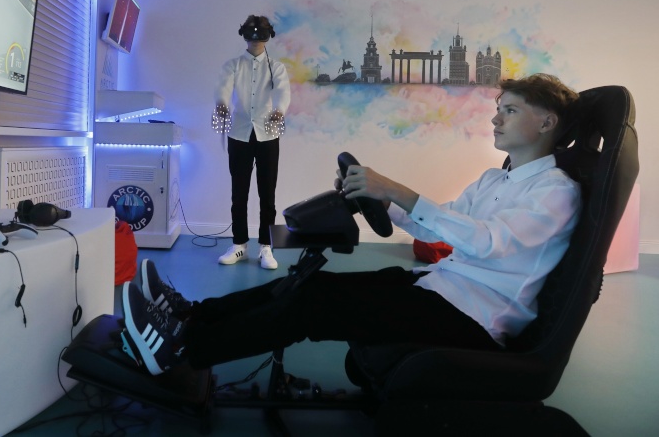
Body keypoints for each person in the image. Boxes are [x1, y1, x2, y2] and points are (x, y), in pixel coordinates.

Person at [121, 74, 581, 376]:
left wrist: (397, 189)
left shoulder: (556, 191)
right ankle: (190, 316)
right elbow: (436, 230)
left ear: (547, 122)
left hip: (474, 318)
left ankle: (183, 349)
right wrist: (380, 198)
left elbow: (487, 243)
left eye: (511, 110)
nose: (496, 118)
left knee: (313, 304)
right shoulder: (493, 179)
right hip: (440, 287)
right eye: (500, 108)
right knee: (306, 283)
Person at [213, 14, 292, 270]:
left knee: (267, 194)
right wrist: (222, 105)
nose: (256, 39)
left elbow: (283, 91)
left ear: (269, 36)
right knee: (239, 193)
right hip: (239, 134)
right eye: (251, 34)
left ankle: (266, 247)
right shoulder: (233, 65)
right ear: (244, 35)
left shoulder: (276, 67)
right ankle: (239, 244)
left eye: (261, 34)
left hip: (268, 134)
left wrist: (279, 110)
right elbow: (223, 89)